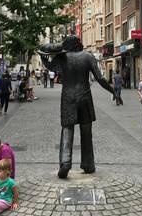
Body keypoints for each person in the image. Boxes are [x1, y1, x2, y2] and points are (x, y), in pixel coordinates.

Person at [39, 36, 115, 178]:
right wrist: (113, 92)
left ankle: (65, 163)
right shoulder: (88, 56)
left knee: (67, 128)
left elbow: (49, 64)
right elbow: (100, 78)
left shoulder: (62, 57)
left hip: (68, 97)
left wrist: (45, 55)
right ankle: (88, 164)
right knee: (86, 131)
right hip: (84, 97)